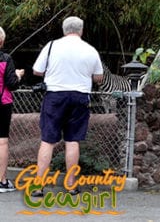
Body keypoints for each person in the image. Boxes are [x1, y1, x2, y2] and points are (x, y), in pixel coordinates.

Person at [31, 16, 103, 197]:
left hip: (55, 96)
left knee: (48, 140)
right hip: (80, 97)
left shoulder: (52, 46)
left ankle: (39, 185)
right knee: (73, 140)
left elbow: (37, 70)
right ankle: (71, 185)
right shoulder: (90, 50)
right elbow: (99, 77)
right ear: (81, 30)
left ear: (64, 30)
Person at [0, 26, 25, 192]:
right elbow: (12, 84)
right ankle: (1, 181)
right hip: (2, 104)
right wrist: (18, 75)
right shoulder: (6, 58)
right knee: (1, 142)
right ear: (1, 40)